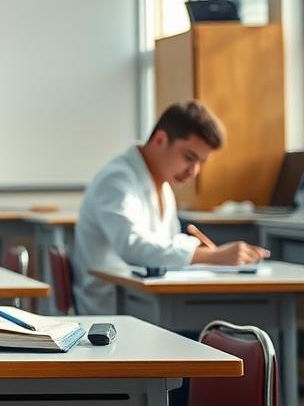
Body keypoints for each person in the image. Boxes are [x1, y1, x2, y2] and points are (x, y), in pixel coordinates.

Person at [73, 100, 268, 314]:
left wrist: (206, 254)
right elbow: (132, 246)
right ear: (160, 140)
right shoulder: (116, 179)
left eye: (201, 163)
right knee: (226, 323)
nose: (194, 171)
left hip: (146, 301)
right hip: (113, 309)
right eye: (189, 157)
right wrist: (212, 256)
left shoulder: (163, 185)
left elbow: (167, 246)